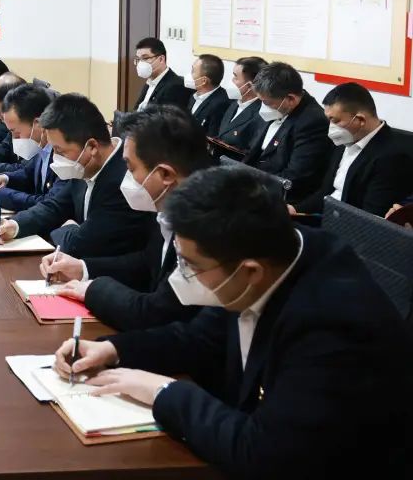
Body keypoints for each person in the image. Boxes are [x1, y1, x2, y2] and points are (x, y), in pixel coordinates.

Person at [51, 166, 412, 478]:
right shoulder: (263, 255)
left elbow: (265, 454)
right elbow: (199, 339)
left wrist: (163, 392)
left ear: (250, 272)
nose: (182, 274)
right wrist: (113, 349)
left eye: (192, 265)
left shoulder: (333, 325)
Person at [38, 105, 210, 331]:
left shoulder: (205, 228)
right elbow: (146, 263)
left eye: (130, 168)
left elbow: (157, 312)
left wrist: (93, 290)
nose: (125, 177)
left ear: (166, 174)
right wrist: (82, 268)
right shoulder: (169, 209)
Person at [0, 93, 152, 257]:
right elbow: (55, 206)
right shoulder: (84, 165)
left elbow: (81, 245)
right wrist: (14, 225)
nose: (55, 158)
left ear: (92, 146)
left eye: (60, 151)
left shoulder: (123, 181)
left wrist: (66, 229)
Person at [292, 82, 413, 217]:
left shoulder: (392, 157)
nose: (331, 127)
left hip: (347, 224)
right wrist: (295, 209)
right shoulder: (345, 139)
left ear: (360, 120)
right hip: (327, 215)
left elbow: (370, 217)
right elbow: (326, 192)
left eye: (335, 121)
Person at [243, 62, 330, 204]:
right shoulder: (276, 107)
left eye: (267, 103)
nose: (263, 107)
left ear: (291, 99)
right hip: (255, 183)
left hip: (282, 196)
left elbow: (295, 177)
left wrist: (252, 188)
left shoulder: (313, 122)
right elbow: (253, 151)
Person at [0, 83, 61, 211]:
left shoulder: (63, 154)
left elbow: (50, 204)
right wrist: (4, 178)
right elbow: (28, 173)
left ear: (38, 124)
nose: (14, 139)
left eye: (16, 133)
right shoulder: (41, 146)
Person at [215, 56, 267, 153]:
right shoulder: (234, 103)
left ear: (249, 86)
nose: (232, 80)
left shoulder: (261, 114)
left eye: (235, 77)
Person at [133, 37, 193, 110]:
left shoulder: (175, 86)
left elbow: (163, 116)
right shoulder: (150, 82)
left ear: (161, 59)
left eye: (145, 58)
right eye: (138, 59)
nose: (140, 63)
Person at [187, 54, 229, 137]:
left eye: (193, 71)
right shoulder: (194, 95)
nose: (190, 75)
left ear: (204, 81)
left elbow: (211, 137)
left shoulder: (221, 104)